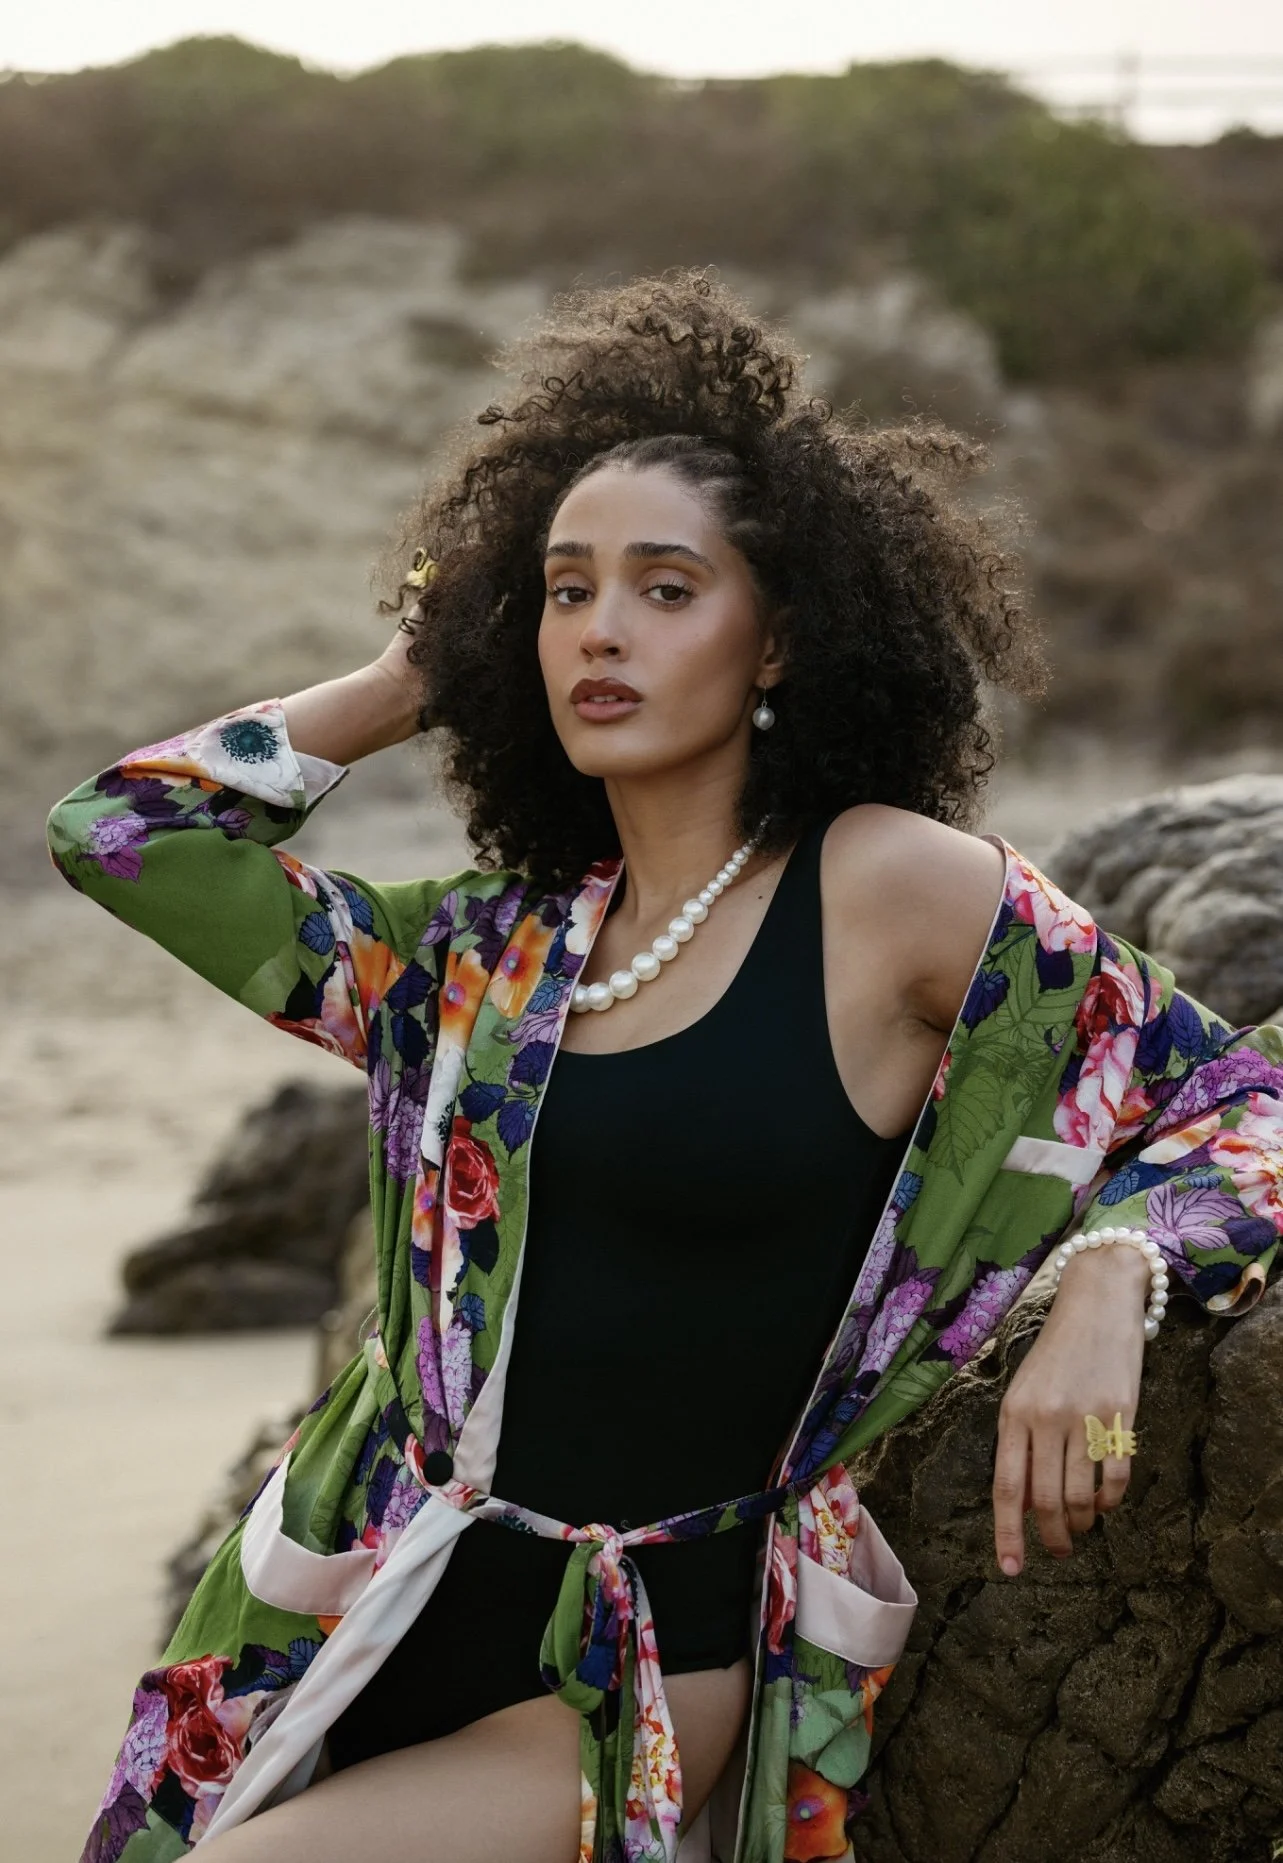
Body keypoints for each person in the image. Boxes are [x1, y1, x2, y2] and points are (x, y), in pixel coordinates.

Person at [54, 272, 1281, 1863]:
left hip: (630, 1662)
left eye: (665, 585)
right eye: (562, 591)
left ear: (783, 638)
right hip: (362, 1593)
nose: (600, 629)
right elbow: (125, 838)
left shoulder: (896, 890)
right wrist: (407, 677)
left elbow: (1234, 1096)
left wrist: (1114, 1273)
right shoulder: (478, 950)